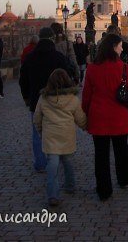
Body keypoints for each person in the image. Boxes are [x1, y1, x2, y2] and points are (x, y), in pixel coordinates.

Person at [82, 34, 128, 201]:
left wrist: (86, 113)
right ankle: (124, 178)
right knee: (121, 150)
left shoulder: (92, 68)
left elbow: (86, 96)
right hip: (118, 117)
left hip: (98, 117)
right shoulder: (124, 68)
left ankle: (104, 189)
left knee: (101, 155)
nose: (122, 49)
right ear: (114, 47)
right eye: (121, 46)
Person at [33, 69, 87, 207]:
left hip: (50, 136)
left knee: (52, 165)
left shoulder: (43, 99)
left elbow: (37, 118)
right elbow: (80, 118)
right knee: (68, 162)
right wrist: (87, 127)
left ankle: (53, 194)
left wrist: (41, 131)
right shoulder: (73, 99)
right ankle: (70, 185)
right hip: (67, 135)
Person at [20, 27, 68, 172]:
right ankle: (55, 159)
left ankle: (40, 164)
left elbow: (23, 80)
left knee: (37, 133)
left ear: (40, 38)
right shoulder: (59, 57)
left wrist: (27, 97)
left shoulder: (30, 57)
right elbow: (66, 78)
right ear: (53, 38)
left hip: (36, 101)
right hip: (56, 101)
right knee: (56, 132)